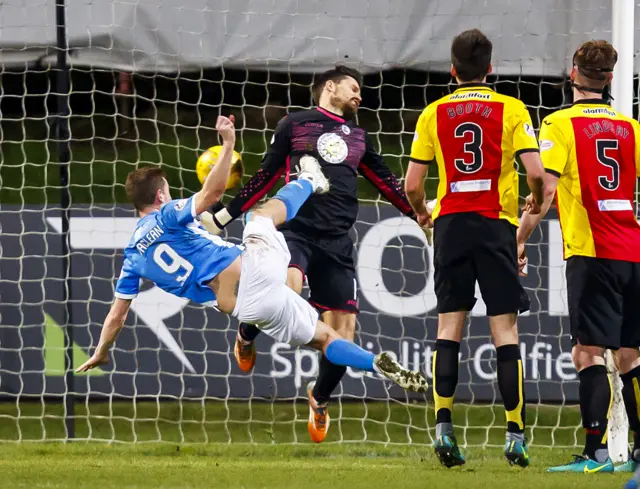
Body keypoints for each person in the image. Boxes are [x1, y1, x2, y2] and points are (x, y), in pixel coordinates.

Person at [76, 114, 428, 401]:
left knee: (324, 340)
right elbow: (213, 192)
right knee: (258, 217)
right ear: (159, 195)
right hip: (258, 270)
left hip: (247, 307)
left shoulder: (132, 256)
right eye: (166, 190)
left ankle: (375, 365)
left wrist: (102, 351)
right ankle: (308, 178)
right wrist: (228, 144)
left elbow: (117, 316)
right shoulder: (167, 214)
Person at [201, 66, 421, 443]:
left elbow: (386, 181)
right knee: (288, 286)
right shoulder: (295, 124)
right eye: (353, 88)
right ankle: (246, 332)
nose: (359, 95)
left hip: (337, 243)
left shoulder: (359, 138)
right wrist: (224, 216)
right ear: (330, 87)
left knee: (343, 333)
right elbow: (266, 176)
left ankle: (319, 398)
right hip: (296, 233)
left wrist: (417, 213)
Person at [404, 28, 546, 468]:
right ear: (490, 69)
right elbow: (537, 173)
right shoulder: (510, 108)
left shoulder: (433, 112)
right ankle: (515, 435)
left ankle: (443, 428)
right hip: (494, 225)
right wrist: (537, 201)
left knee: (449, 328)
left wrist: (423, 215)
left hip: (451, 227)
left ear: (452, 70)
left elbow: (412, 185)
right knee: (504, 331)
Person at [518, 40, 640, 475]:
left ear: (573, 74)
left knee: (587, 353)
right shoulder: (630, 126)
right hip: (633, 251)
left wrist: (520, 236)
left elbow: (545, 190)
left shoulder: (558, 124)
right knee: (629, 356)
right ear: (610, 78)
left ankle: (597, 455)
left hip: (593, 252)